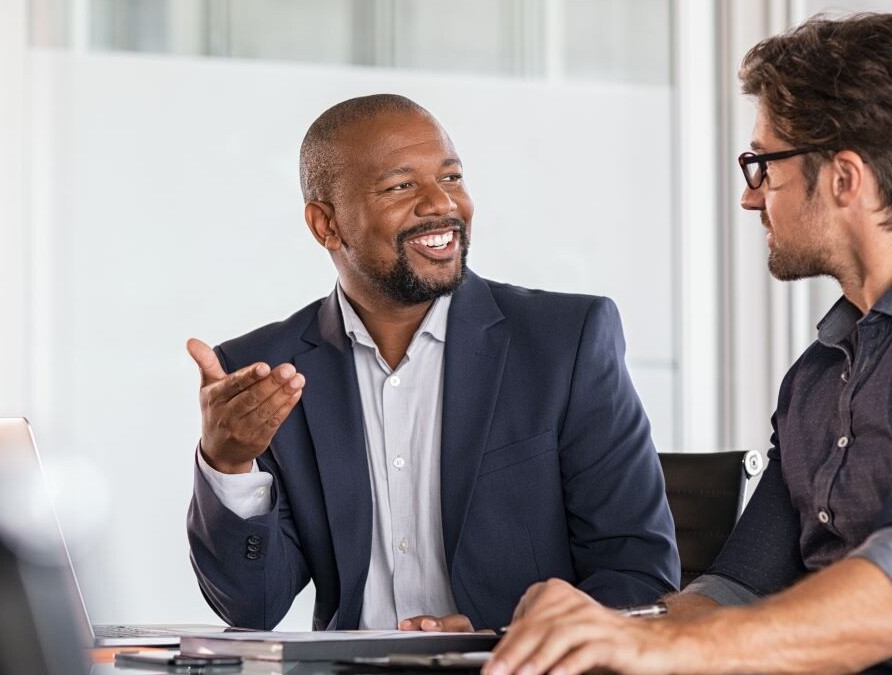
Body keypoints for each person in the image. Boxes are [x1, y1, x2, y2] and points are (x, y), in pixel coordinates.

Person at [486, 13, 892, 675]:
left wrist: (659, 647)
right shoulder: (817, 376)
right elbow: (732, 593)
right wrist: (583, 631)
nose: (749, 197)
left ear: (844, 177)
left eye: (763, 165)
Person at [184, 94, 679, 632]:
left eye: (451, 177)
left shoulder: (565, 343)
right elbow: (252, 608)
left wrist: (503, 640)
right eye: (401, 186)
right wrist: (228, 465)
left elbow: (638, 577)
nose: (441, 204)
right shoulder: (265, 373)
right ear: (326, 225)